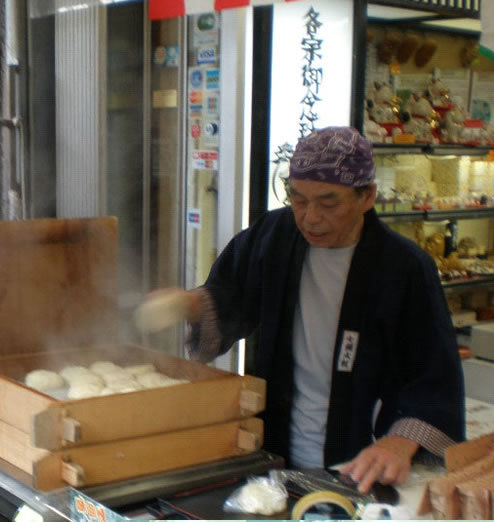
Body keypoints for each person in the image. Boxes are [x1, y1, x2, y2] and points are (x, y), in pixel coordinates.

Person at [141, 127, 464, 493]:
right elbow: (232, 294)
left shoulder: (403, 266)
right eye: (297, 199)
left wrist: (402, 440)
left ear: (367, 196)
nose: (309, 218)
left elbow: (433, 374)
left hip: (360, 459)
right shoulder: (274, 235)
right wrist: (194, 304)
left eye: (328, 203)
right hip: (273, 443)